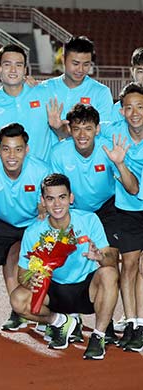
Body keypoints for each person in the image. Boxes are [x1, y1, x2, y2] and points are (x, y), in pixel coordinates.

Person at [50, 103, 137, 343]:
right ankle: (72, 319)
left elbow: (132, 188)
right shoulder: (59, 153)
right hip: (74, 209)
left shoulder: (108, 148)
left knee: (108, 260)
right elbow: (55, 189)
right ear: (69, 129)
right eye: (76, 128)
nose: (82, 134)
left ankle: (105, 323)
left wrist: (120, 163)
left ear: (97, 129)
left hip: (107, 209)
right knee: (72, 258)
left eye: (88, 128)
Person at [10, 173, 118, 360]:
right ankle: (61, 322)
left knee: (109, 273)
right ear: (43, 201)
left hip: (87, 290)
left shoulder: (89, 220)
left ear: (71, 198)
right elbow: (22, 274)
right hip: (53, 291)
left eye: (62, 197)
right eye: (50, 199)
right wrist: (31, 279)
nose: (57, 204)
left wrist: (100, 257)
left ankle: (98, 337)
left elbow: (111, 260)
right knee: (18, 299)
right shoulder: (33, 232)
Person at [0, 123, 51, 339]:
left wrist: (43, 214)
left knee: (27, 263)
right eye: (6, 149)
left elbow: (46, 207)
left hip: (33, 222)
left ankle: (40, 312)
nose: (12, 156)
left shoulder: (41, 171)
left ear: (27, 150)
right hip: (2, 221)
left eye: (18, 149)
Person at [99, 82, 143, 351]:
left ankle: (141, 322)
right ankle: (132, 322)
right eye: (129, 107)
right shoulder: (113, 131)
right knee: (128, 265)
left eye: (140, 107)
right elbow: (86, 127)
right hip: (127, 211)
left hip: (136, 194)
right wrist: (61, 125)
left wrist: (121, 164)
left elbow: (134, 187)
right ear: (121, 111)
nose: (134, 113)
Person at [0, 44, 56, 161]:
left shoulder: (44, 94)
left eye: (18, 65)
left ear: (25, 70)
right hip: (4, 171)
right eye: (7, 65)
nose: (13, 70)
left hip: (43, 171)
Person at [43, 36, 114, 135]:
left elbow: (102, 132)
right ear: (63, 59)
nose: (80, 69)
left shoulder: (101, 92)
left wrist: (61, 130)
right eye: (75, 64)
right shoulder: (45, 88)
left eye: (86, 64)